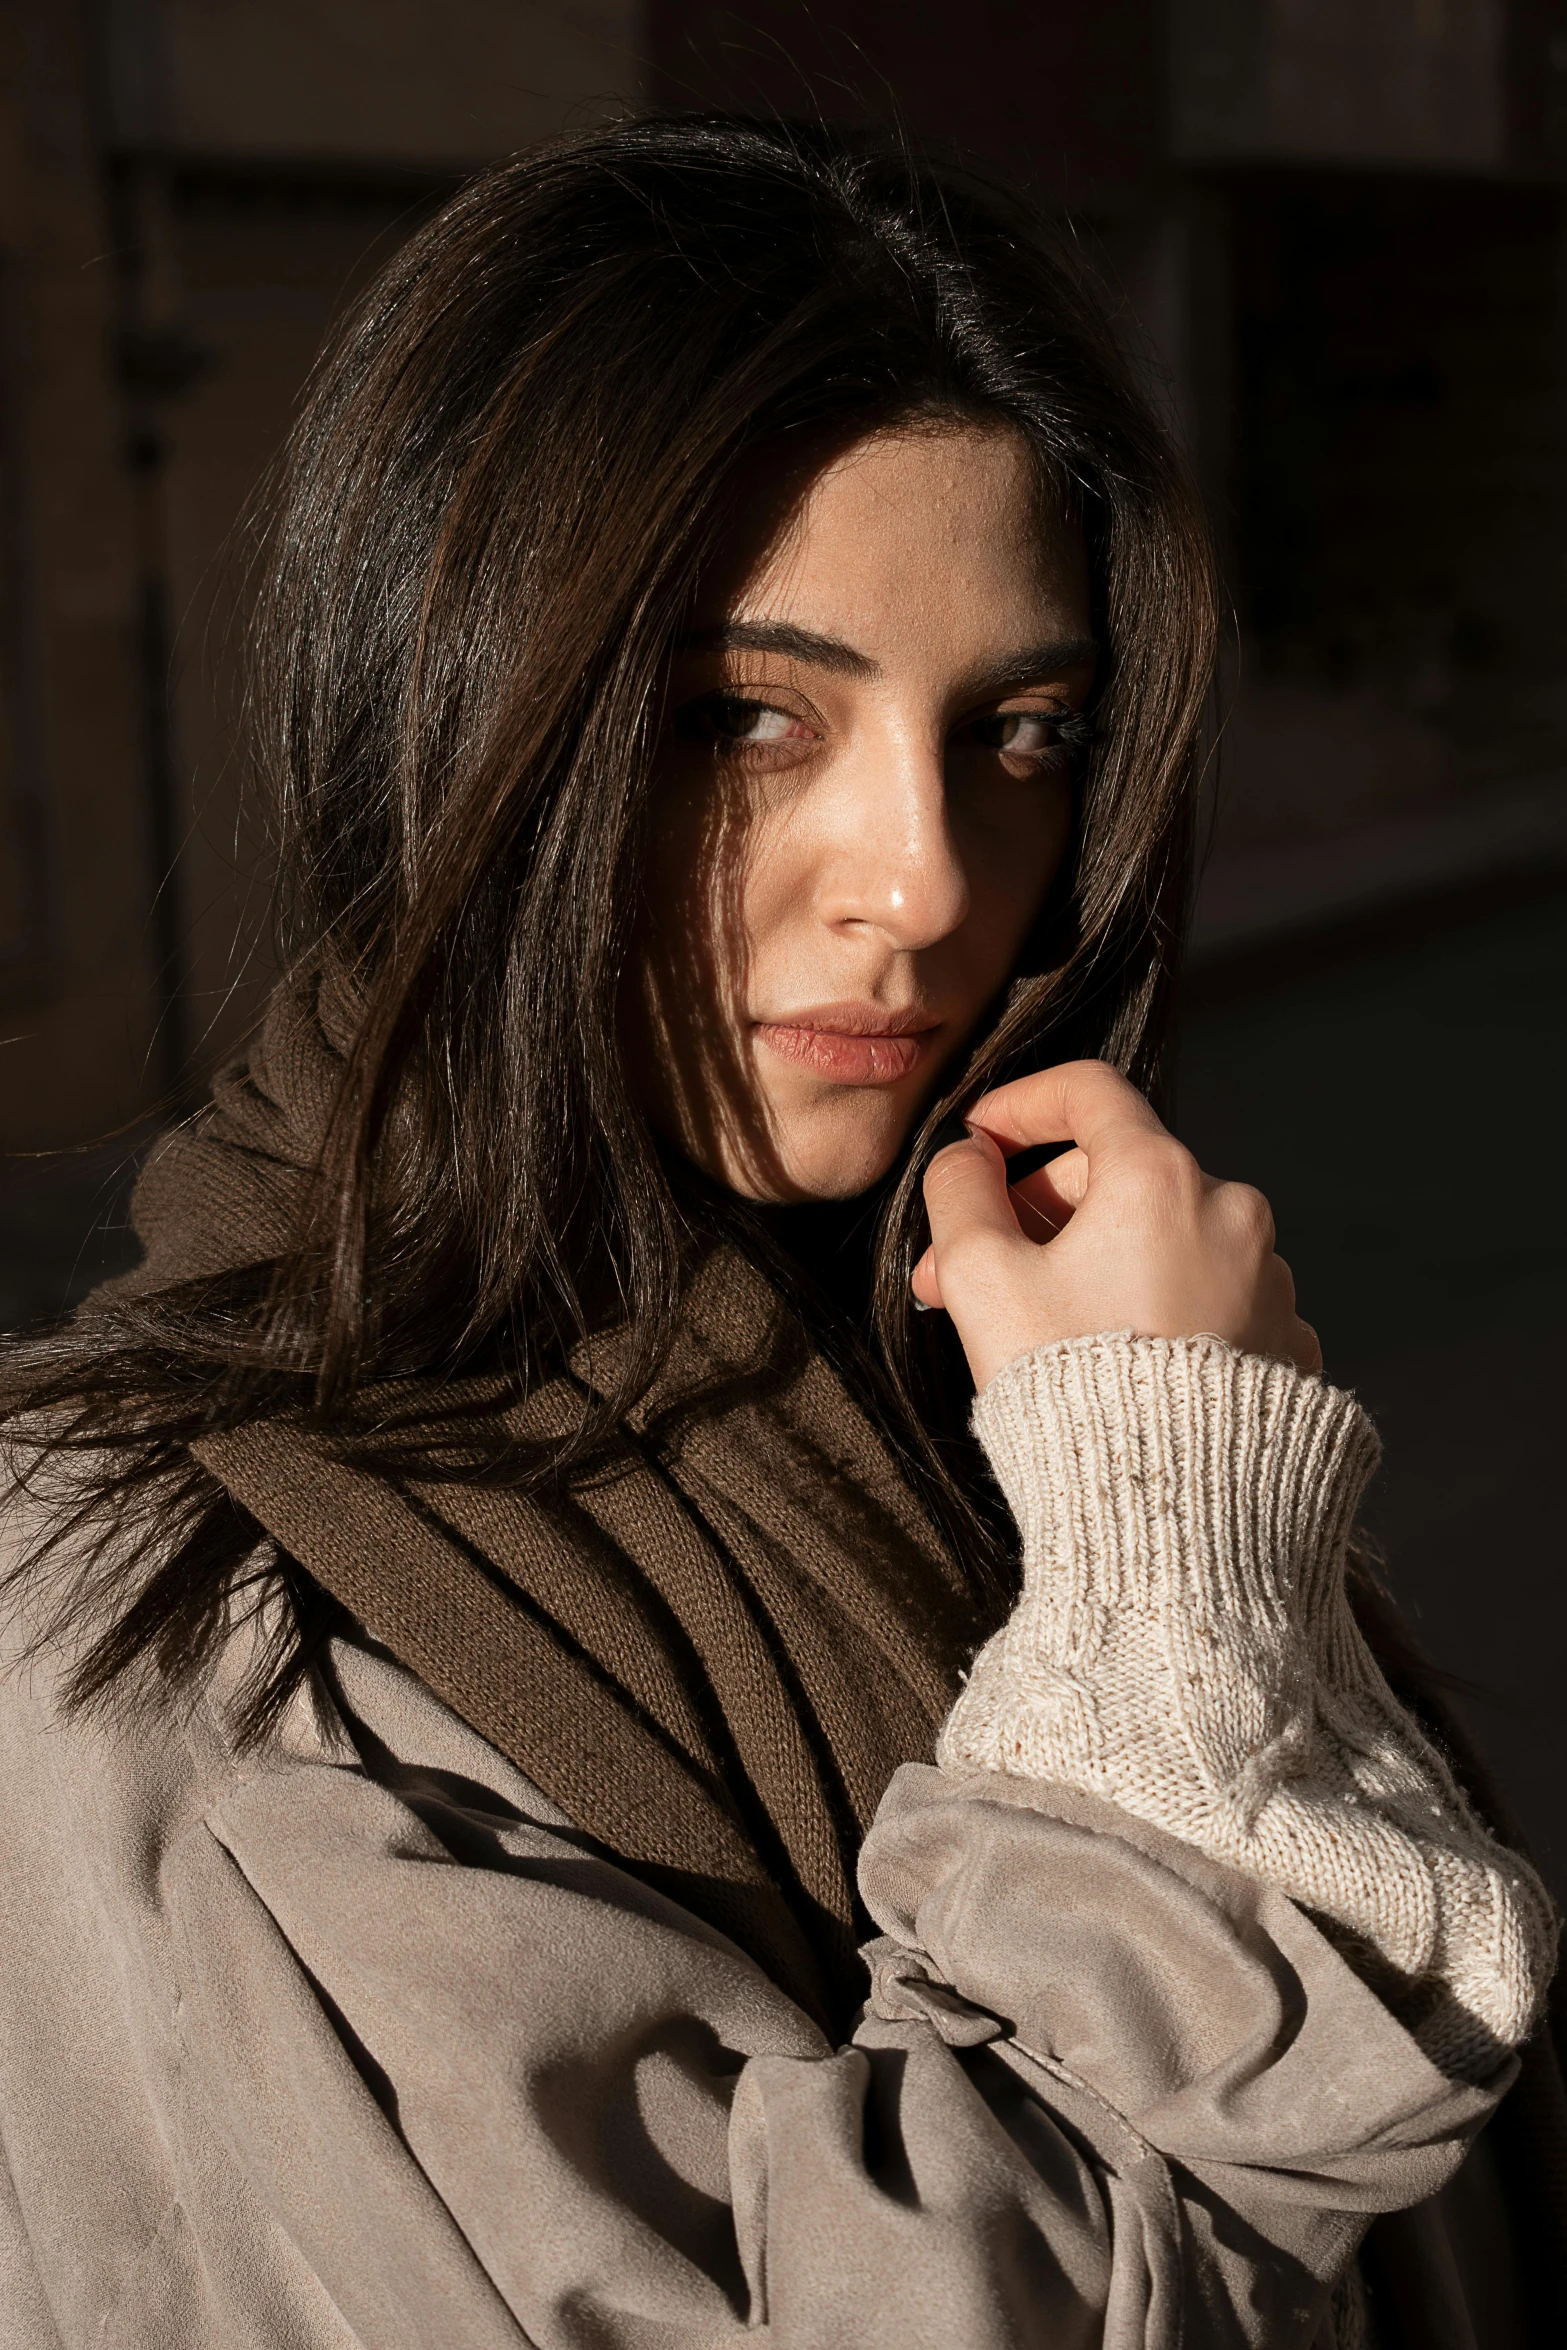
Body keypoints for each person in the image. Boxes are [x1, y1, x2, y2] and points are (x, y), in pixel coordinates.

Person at [0, 117, 1561, 2349]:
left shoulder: (989, 1386)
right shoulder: (146, 1630)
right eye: (745, 716)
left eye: (1020, 733)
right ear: (454, 720)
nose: (922, 879)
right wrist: (1167, 1581)